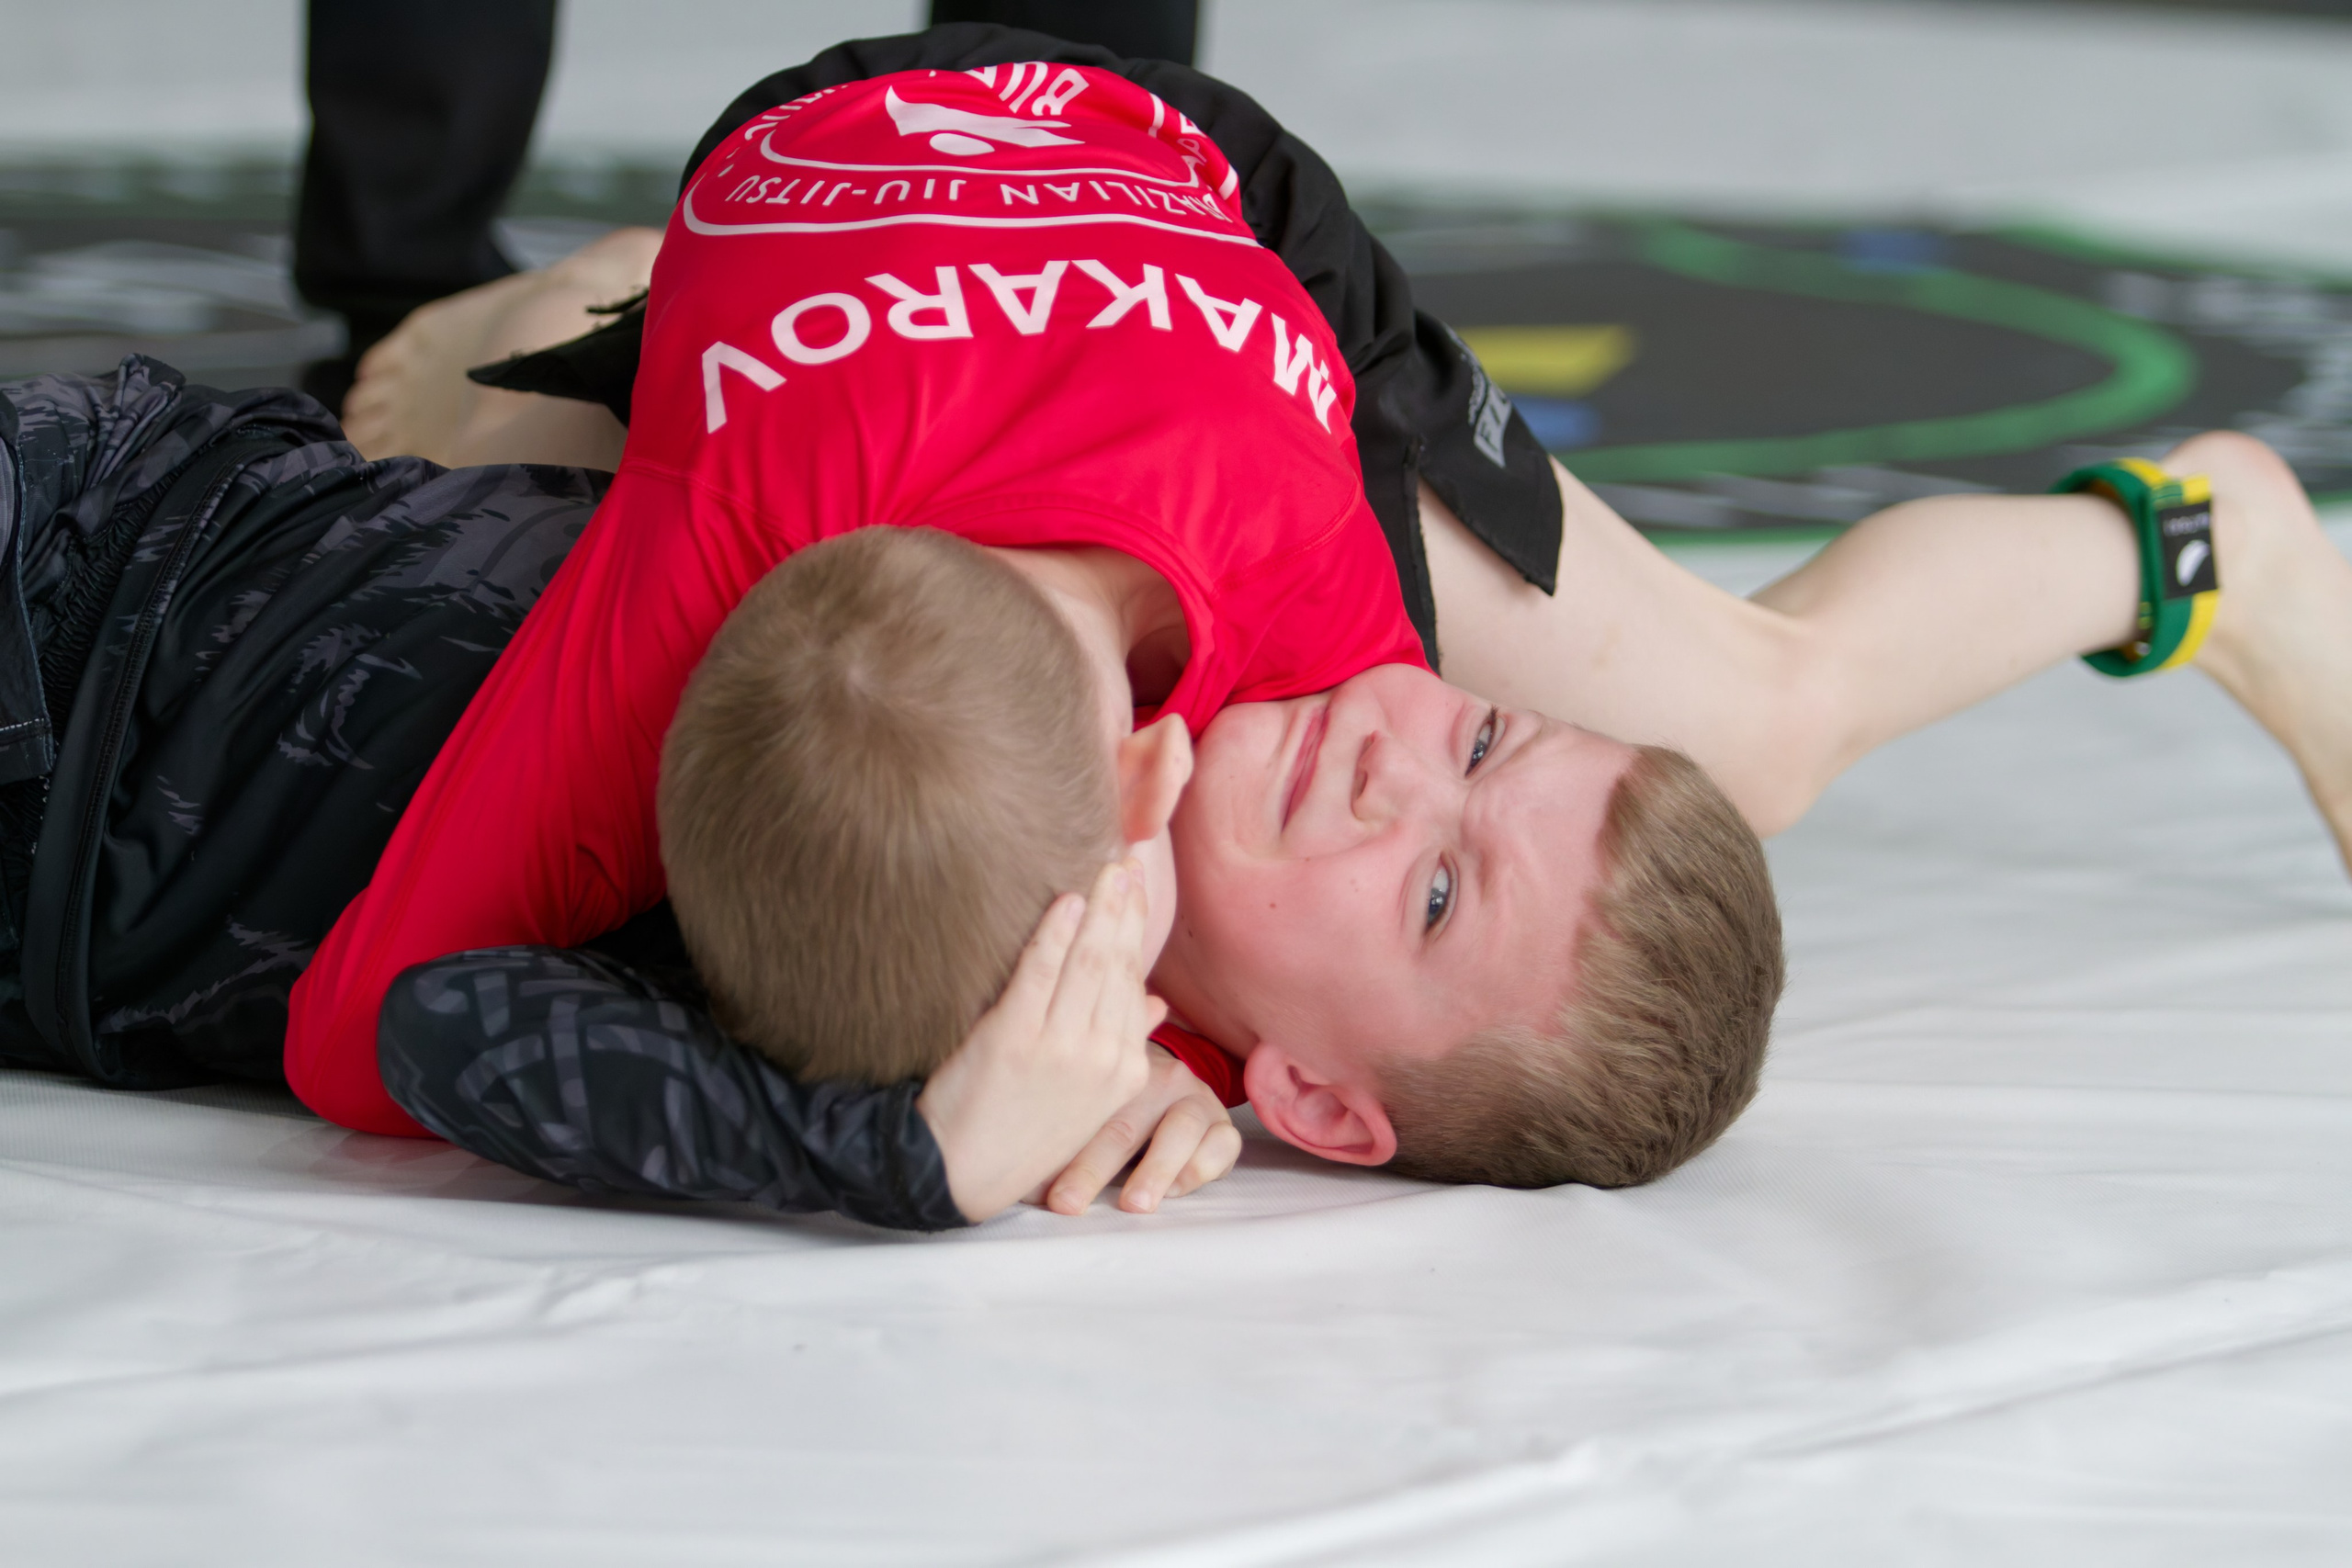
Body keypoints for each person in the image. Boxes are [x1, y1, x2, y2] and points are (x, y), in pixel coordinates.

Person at [345, 28, 2352, 1219]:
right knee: (1750, 732)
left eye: (1424, 891)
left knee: (861, 662)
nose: (1401, 754)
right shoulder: (1313, 607)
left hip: (933, 249)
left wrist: (1111, 1044)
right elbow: (395, 1017)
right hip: (1098, 212)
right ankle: (2213, 540)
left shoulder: (1264, 682)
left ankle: (579, 353)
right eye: (1475, 741)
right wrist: (1036, 1066)